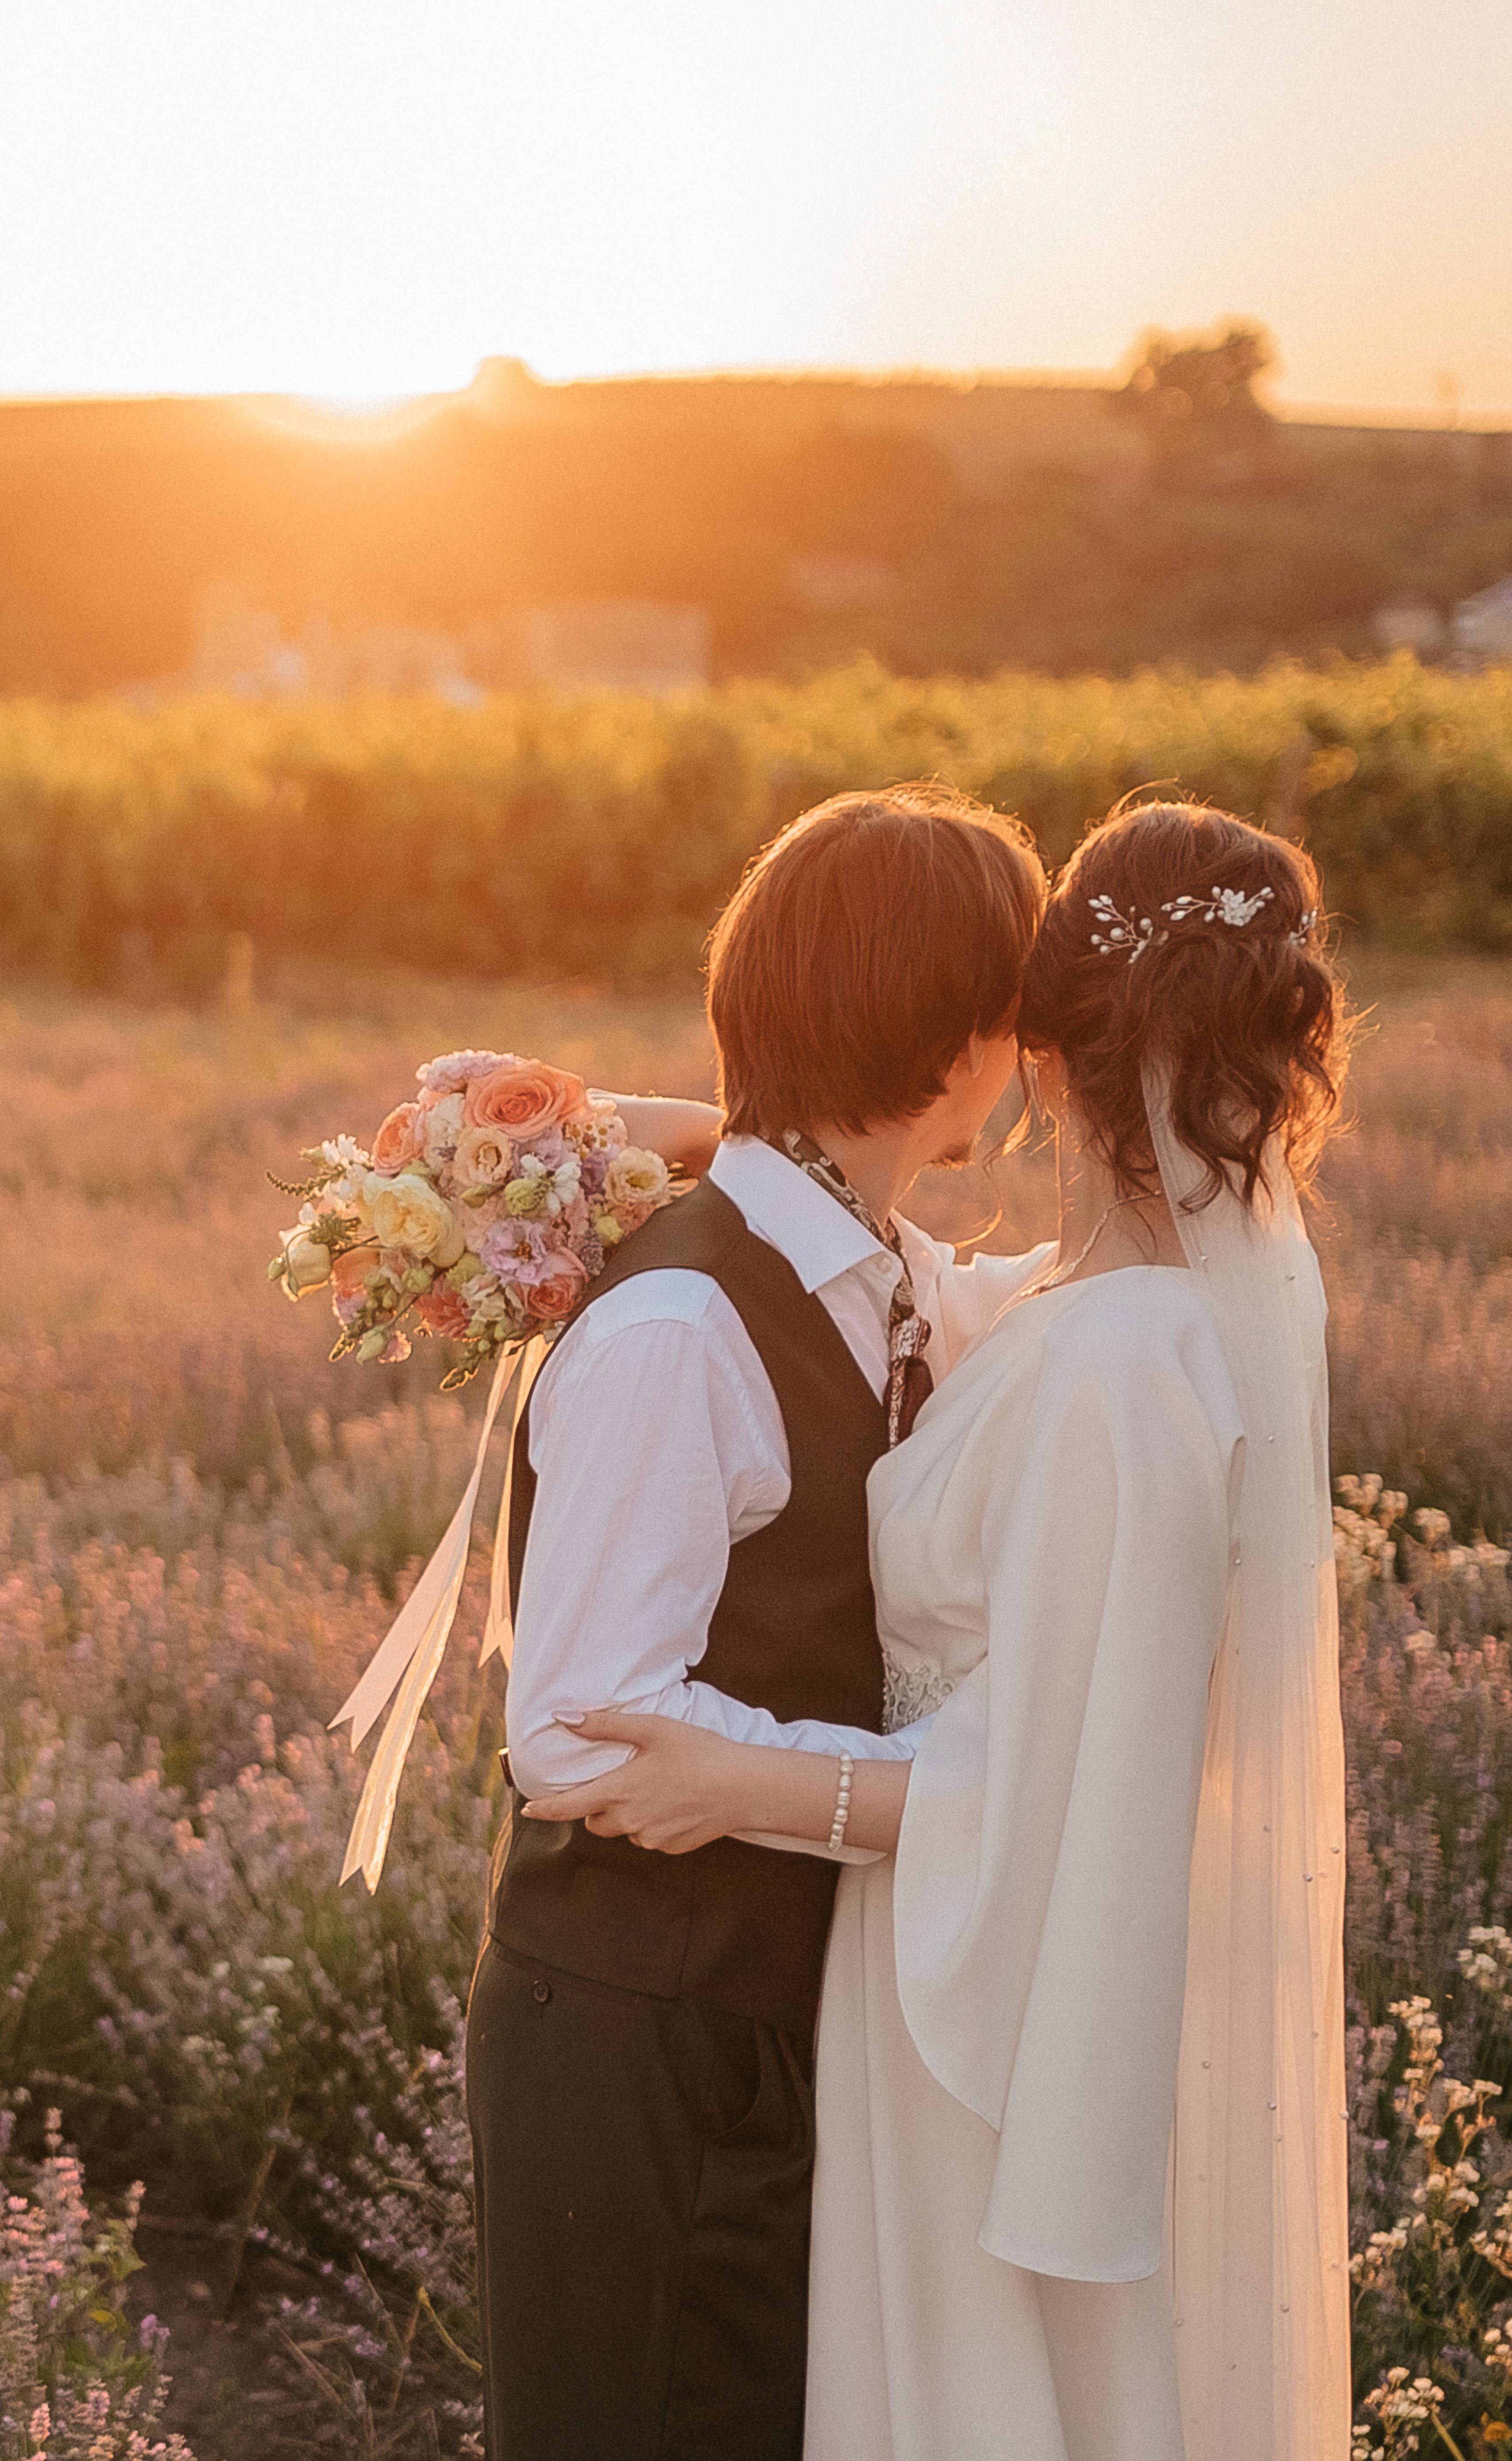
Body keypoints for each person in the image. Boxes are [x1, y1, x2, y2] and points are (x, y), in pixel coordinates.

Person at [529, 801, 1354, 2461]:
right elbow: (578, 1728)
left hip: (944, 2013)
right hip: (745, 2019)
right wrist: (688, 1143)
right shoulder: (1006, 1322)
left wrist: (757, 1786)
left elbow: (1073, 1781)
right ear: (984, 1044)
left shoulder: (1101, 1360)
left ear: (1041, 1055)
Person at [469, 784, 1051, 2461]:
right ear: (957, 1048)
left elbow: (1047, 1294)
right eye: (1017, 1017)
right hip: (639, 2038)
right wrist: (896, 1787)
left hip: (774, 2022)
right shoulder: (678, 1325)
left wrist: (663, 1120)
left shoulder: (878, 1270)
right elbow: (576, 1730)